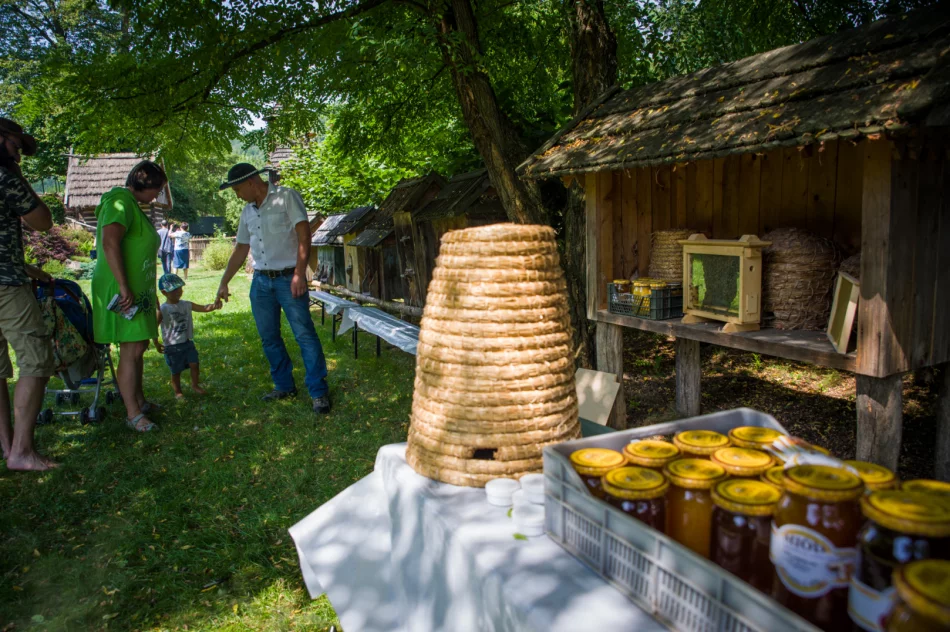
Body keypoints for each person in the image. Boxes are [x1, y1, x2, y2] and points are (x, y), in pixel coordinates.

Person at [216, 163, 331, 414]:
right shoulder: (247, 212)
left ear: (251, 182)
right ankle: (283, 385)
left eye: (237, 189)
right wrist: (224, 281)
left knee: (304, 335)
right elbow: (241, 249)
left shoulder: (287, 197)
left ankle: (318, 392)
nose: (237, 195)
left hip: (289, 278)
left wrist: (300, 274)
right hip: (261, 282)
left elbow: (304, 236)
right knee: (269, 337)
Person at [91, 160, 166, 433]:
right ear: (144, 185)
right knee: (131, 349)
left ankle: (140, 401)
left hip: (136, 289)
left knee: (139, 347)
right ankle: (132, 414)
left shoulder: (132, 205)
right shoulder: (118, 201)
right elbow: (109, 243)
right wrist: (123, 286)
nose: (157, 195)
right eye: (156, 189)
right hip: (120, 290)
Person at [0, 117, 58, 471]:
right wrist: (17, 177)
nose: (19, 156)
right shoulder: (5, 177)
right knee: (36, 358)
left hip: (9, 272)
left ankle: (7, 448)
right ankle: (21, 452)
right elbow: (42, 220)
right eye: (15, 147)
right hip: (5, 284)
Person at [154, 273, 219, 399]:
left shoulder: (186, 304)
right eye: (174, 290)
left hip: (187, 343)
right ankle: (178, 392)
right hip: (171, 347)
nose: (178, 292)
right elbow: (154, 327)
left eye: (180, 288)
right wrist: (156, 343)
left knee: (194, 364)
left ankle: (195, 385)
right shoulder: (163, 309)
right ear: (164, 293)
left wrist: (215, 305)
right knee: (176, 371)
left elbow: (204, 308)